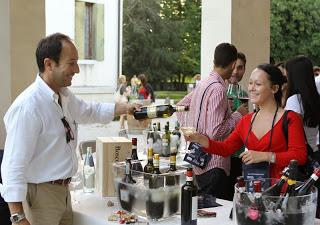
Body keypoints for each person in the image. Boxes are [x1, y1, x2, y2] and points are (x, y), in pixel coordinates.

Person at [0, 33, 138, 225]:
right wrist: (18, 217)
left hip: (63, 194)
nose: (77, 69)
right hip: (41, 198)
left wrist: (125, 108)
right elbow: (13, 165)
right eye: (71, 63)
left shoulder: (64, 96)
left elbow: (89, 111)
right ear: (49, 64)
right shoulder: (28, 106)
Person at [185, 64, 307, 180]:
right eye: (250, 83)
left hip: (282, 192)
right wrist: (201, 139)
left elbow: (300, 156)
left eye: (258, 84)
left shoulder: (290, 118)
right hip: (254, 191)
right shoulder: (246, 120)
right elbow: (226, 148)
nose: (251, 88)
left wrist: (265, 156)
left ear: (274, 88)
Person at [177, 43, 248, 199]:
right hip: (214, 163)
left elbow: (180, 105)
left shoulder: (203, 83)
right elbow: (215, 133)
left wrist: (189, 131)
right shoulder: (218, 89)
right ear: (233, 64)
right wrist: (237, 115)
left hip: (197, 159)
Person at [285, 56, 320, 153]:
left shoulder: (294, 100)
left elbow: (291, 133)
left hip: (299, 154)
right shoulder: (316, 99)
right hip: (314, 152)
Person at [226, 52, 247, 200]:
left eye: (240, 67)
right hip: (221, 155)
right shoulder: (219, 91)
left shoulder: (244, 93)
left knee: (236, 197)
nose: (235, 71)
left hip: (238, 154)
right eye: (233, 67)